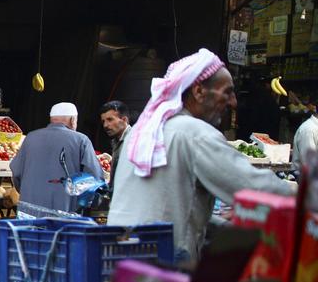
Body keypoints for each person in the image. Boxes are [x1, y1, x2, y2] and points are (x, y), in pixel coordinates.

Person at [111, 48, 294, 262]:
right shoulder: (194, 133)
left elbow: (171, 209)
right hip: (160, 269)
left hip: (121, 261)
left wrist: (225, 227)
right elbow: (255, 187)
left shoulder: (143, 131)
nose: (233, 102)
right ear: (199, 92)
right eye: (227, 92)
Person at [9, 103, 105, 213]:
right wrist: (89, 203)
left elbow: (16, 172)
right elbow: (94, 178)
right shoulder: (81, 140)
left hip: (29, 212)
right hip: (65, 214)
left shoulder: (30, 137)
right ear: (73, 120)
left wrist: (28, 193)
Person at [100, 100, 132, 184]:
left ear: (124, 120)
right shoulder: (115, 141)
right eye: (103, 121)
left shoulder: (133, 141)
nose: (105, 125)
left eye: (110, 119)